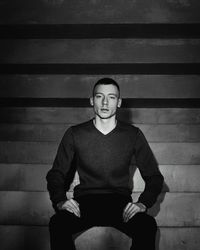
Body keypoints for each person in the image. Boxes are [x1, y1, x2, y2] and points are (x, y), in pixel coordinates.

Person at [46, 77, 164, 250]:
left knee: (147, 226)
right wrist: (60, 200)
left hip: (120, 203)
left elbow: (154, 177)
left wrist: (143, 203)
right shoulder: (74, 133)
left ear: (119, 102)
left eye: (112, 97)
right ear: (92, 100)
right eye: (100, 96)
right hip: (84, 203)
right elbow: (56, 174)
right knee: (57, 224)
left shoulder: (133, 134)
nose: (105, 102)